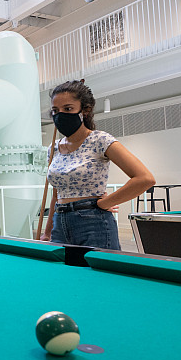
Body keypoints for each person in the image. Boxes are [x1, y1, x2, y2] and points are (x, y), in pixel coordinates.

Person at [39, 80, 155, 250]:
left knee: (100, 275)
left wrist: (104, 203)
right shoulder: (54, 148)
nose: (60, 114)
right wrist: (47, 232)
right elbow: (56, 195)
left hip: (93, 222)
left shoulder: (100, 140)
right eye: (55, 110)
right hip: (60, 223)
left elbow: (144, 178)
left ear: (85, 110)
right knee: (65, 275)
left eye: (68, 108)